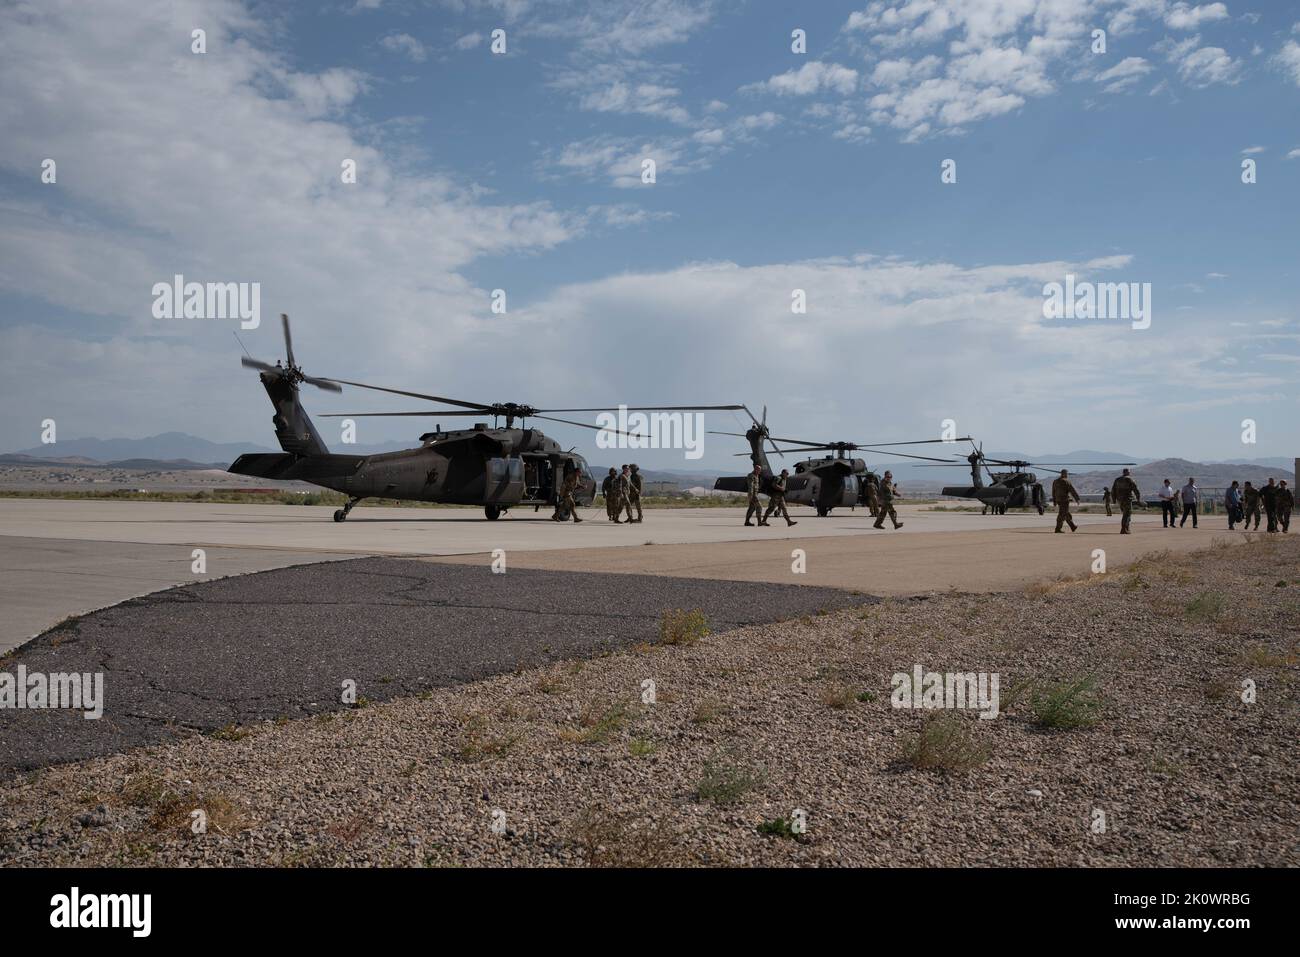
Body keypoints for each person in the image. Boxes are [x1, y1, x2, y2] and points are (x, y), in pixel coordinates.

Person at [1111, 468, 1141, 535]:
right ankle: (1124, 529)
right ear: (1127, 472)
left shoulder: (1117, 480)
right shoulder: (1129, 479)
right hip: (1127, 499)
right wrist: (1138, 498)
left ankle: (1126, 528)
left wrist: (1114, 500)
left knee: (1125, 514)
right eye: (1129, 472)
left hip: (1120, 500)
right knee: (1127, 514)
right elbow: (1136, 489)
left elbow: (1113, 490)